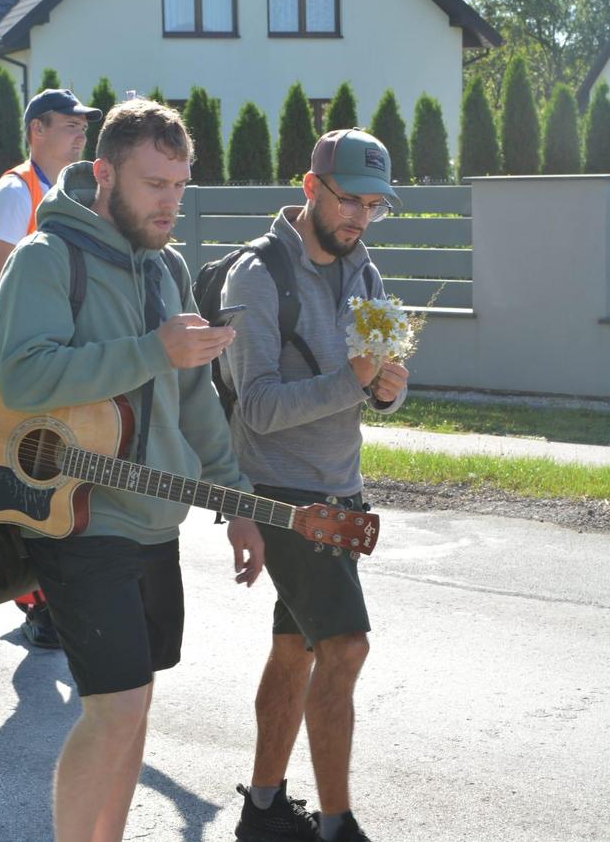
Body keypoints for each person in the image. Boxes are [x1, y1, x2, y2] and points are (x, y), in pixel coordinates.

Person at [0, 98, 264, 842]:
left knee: (135, 704)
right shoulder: (46, 259)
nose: (170, 202)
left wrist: (236, 499)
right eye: (154, 185)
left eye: (179, 185)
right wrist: (154, 349)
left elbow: (192, 393)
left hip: (154, 519)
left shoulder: (167, 269)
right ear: (104, 174)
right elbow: (22, 377)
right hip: (81, 516)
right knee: (113, 706)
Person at [220, 128, 410, 842]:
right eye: (349, 200)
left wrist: (387, 389)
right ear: (309, 187)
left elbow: (378, 380)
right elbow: (259, 408)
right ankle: (338, 826)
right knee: (346, 646)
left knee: (295, 647)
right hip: (278, 494)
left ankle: (263, 809)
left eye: (374, 205)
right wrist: (352, 382)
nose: (360, 217)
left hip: (339, 487)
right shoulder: (256, 276)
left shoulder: (364, 270)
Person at [0, 87, 103, 648]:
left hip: (36, 351)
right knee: (19, 474)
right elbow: (0, 288)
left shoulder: (67, 192)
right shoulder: (14, 192)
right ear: (37, 130)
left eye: (84, 125)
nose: (80, 132)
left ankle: (46, 597)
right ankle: (37, 602)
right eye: (69, 124)